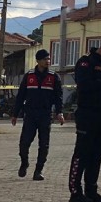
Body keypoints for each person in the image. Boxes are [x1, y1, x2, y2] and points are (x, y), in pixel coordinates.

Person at [68, 39, 101, 202]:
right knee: (82, 153)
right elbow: (83, 85)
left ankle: (91, 190)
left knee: (97, 154)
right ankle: (75, 191)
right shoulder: (86, 62)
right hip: (87, 114)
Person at [12, 49, 64, 181]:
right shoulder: (29, 76)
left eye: (49, 59)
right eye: (45, 59)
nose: (48, 61)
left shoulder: (54, 77)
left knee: (44, 144)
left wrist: (59, 112)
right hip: (30, 114)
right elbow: (20, 96)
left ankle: (38, 170)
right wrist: (15, 114)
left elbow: (58, 97)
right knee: (24, 143)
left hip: (45, 114)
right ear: (38, 61)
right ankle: (24, 163)